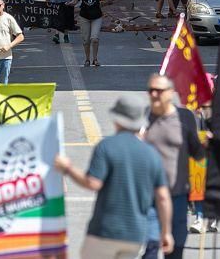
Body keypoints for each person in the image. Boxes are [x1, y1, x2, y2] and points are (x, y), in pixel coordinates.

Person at [55, 95, 174, 259]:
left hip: (104, 231)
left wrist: (68, 168)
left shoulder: (106, 146)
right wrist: (166, 232)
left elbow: (93, 183)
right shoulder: (152, 153)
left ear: (117, 120)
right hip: (135, 234)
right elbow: (163, 197)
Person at [142, 74, 205, 259]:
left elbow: (197, 153)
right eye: (151, 90)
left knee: (176, 248)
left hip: (177, 196)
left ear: (170, 93)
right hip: (147, 197)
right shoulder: (142, 118)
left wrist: (207, 144)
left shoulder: (184, 117)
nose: (154, 94)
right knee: (151, 246)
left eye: (159, 91)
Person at [72, 0, 106, 68]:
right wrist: (68, 3)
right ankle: (87, 59)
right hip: (84, 17)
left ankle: (95, 59)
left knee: (94, 38)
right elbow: (75, 0)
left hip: (97, 16)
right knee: (86, 40)